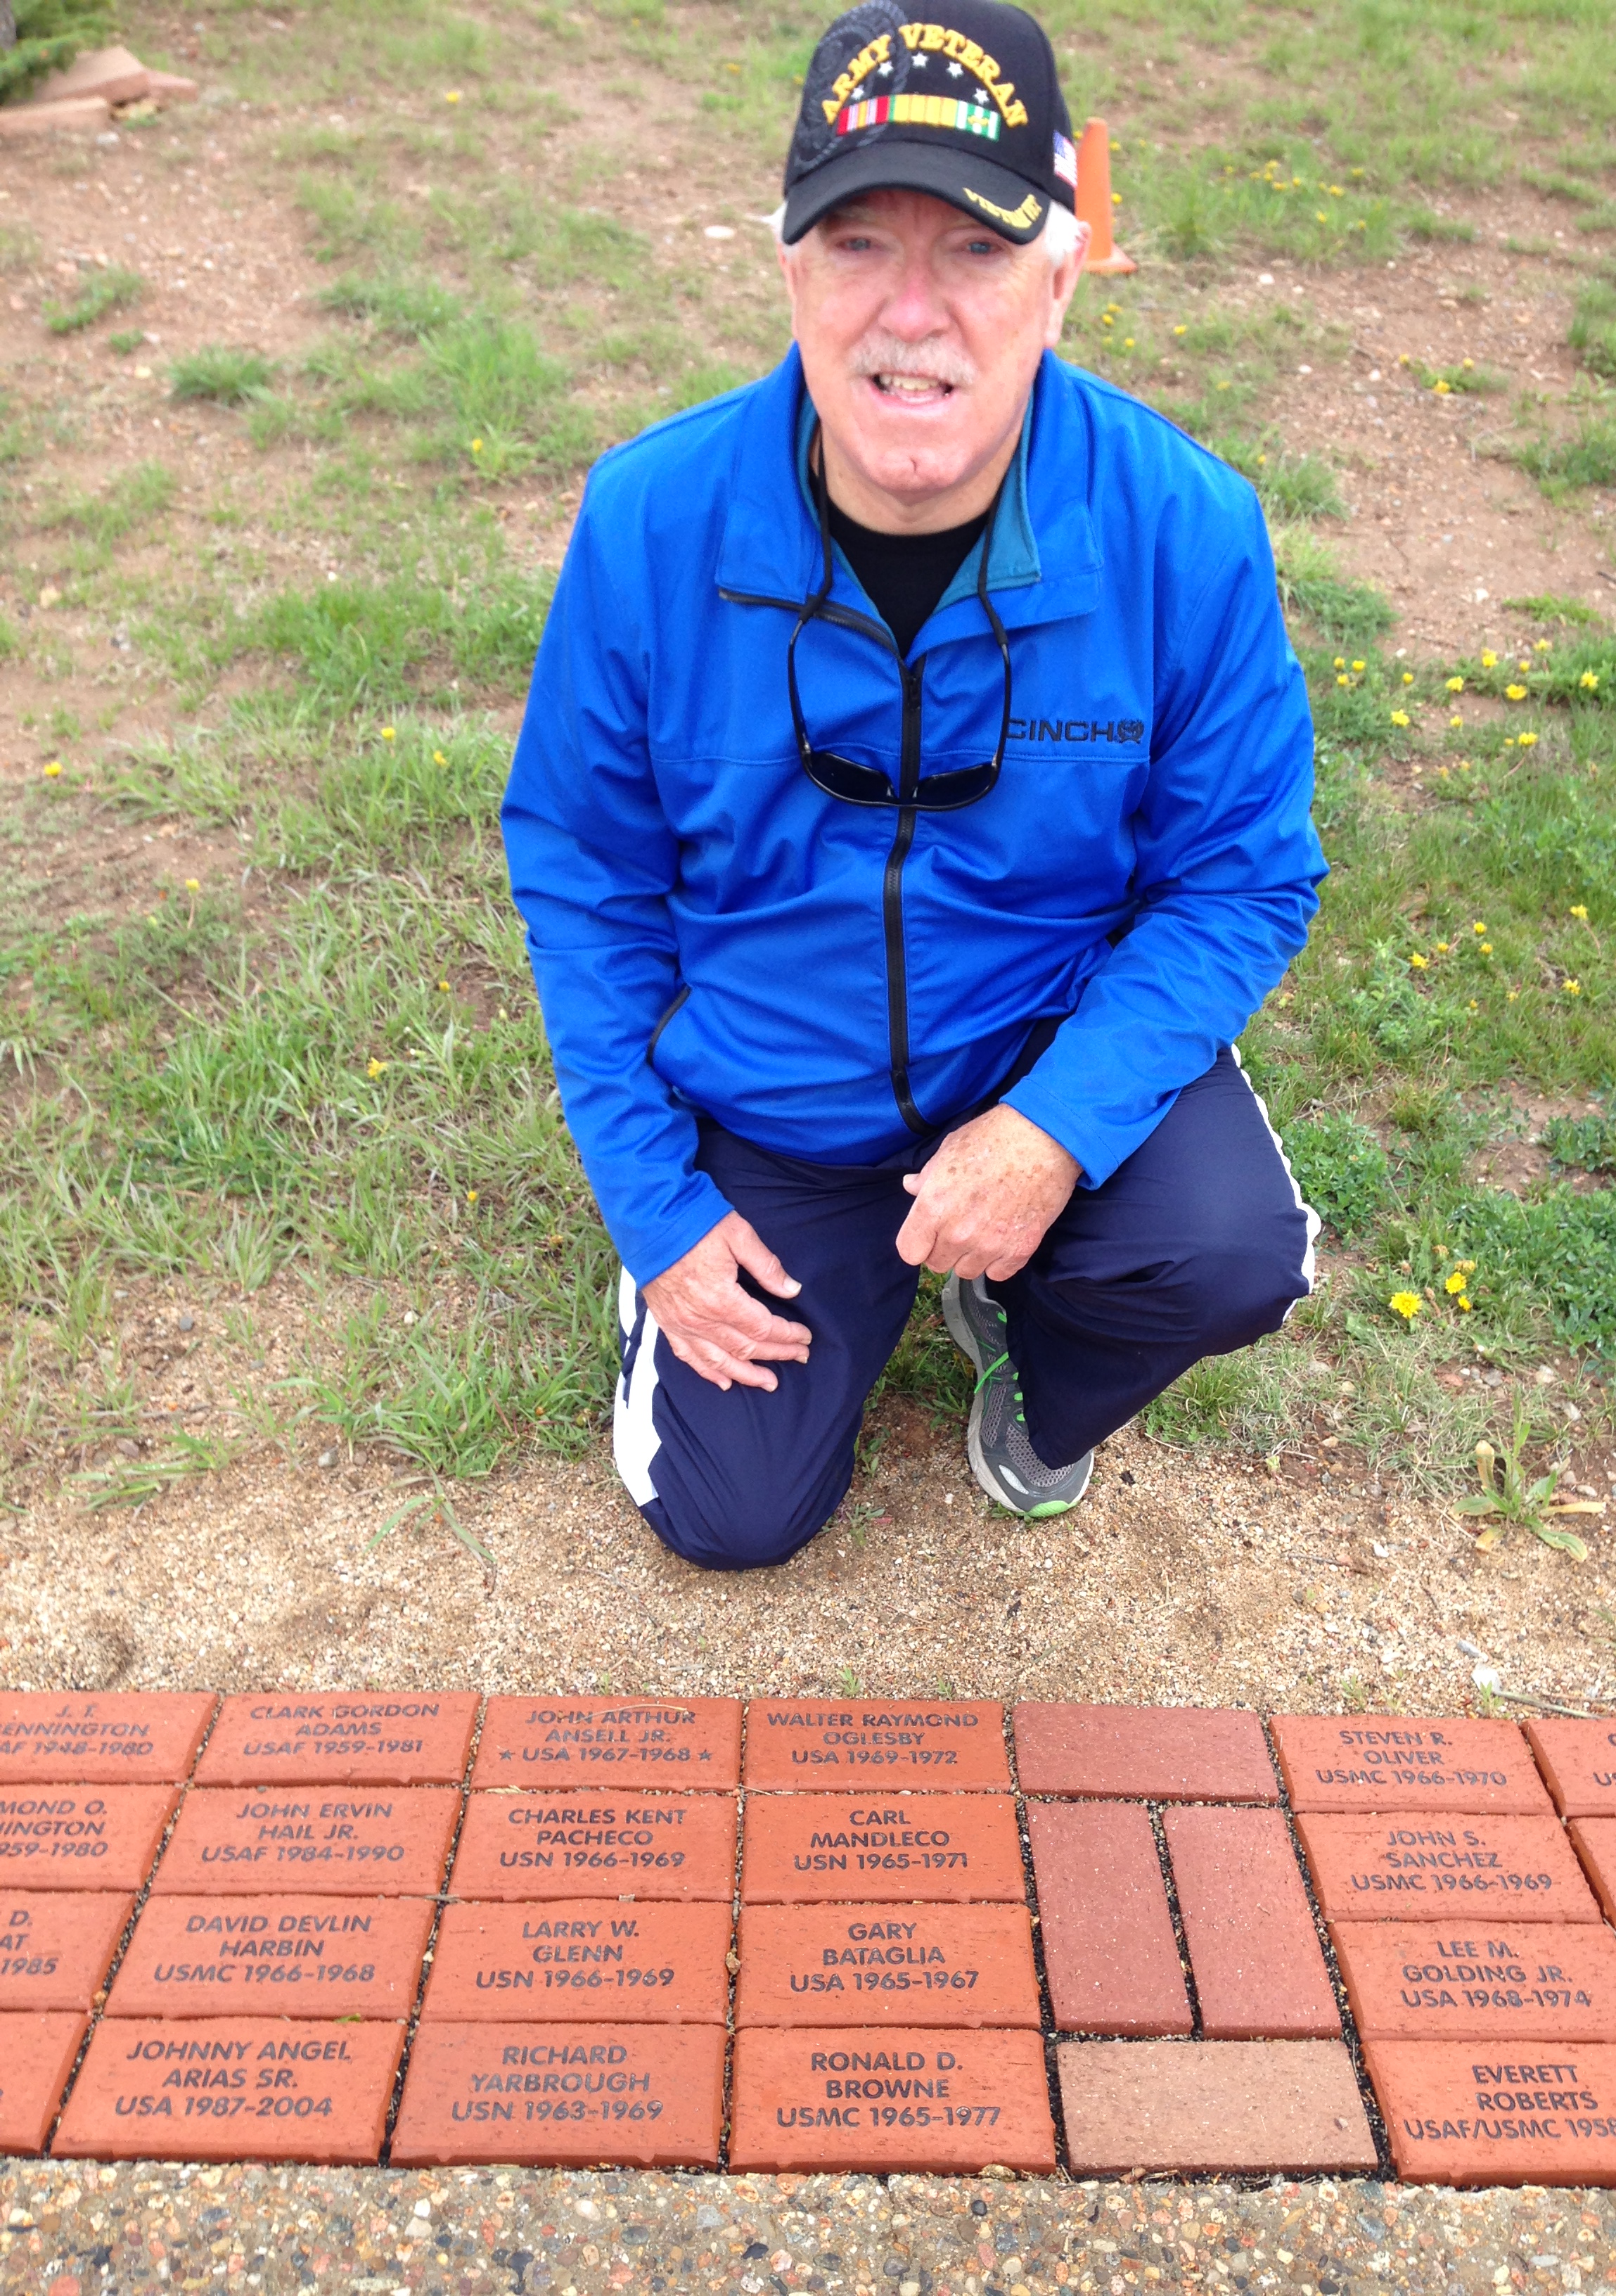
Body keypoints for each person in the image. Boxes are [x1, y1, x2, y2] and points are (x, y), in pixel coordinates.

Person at [502, 0, 1325, 1571]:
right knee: (730, 1522)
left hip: (1031, 1039)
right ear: (789, 268)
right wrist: (657, 1210)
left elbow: (1240, 877)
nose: (912, 313)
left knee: (1227, 1256)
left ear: (1065, 276)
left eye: (975, 252)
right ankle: (785, 1270)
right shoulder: (651, 517)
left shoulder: (1185, 525)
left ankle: (1030, 1337)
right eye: (861, 245)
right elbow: (584, 874)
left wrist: (1053, 1131)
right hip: (775, 1098)